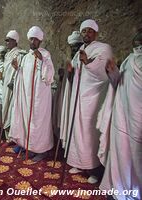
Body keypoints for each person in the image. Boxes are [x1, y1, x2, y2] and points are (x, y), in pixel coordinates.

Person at [66, 19, 113, 184]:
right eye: (83, 31)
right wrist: (71, 69)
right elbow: (74, 68)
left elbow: (102, 73)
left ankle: (95, 169)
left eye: (89, 31)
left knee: (89, 133)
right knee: (78, 132)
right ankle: (80, 163)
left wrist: (87, 63)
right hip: (78, 98)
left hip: (93, 99)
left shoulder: (104, 48)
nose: (86, 34)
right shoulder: (81, 49)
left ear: (96, 33)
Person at [98, 30, 142, 200]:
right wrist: (112, 71)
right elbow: (118, 83)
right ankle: (118, 188)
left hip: (138, 118)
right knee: (121, 151)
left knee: (137, 156)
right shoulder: (128, 60)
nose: (137, 38)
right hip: (122, 116)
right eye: (136, 36)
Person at [9, 26, 54, 162]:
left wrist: (41, 60)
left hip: (40, 98)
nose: (33, 41)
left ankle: (42, 150)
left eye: (36, 39)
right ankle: (30, 147)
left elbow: (49, 77)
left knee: (39, 123)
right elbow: (23, 76)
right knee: (28, 122)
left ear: (40, 41)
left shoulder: (45, 54)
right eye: (31, 39)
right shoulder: (26, 57)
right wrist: (18, 69)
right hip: (28, 97)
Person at [60, 31, 83, 149]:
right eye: (72, 47)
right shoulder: (74, 59)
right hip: (70, 93)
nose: (74, 49)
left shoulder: (81, 58)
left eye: (77, 46)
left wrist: (71, 73)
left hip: (79, 96)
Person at [2, 30, 23, 137]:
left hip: (13, 87)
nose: (6, 43)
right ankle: (7, 136)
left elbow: (18, 69)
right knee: (5, 108)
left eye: (8, 40)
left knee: (12, 110)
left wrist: (14, 81)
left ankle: (12, 137)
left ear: (15, 41)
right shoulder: (7, 55)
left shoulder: (18, 54)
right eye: (6, 41)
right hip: (6, 86)